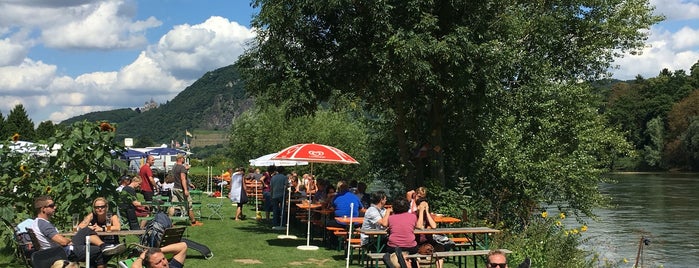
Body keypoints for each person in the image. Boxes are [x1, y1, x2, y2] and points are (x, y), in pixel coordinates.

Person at [31, 196, 125, 268]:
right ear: (43, 209)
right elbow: (63, 242)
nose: (55, 207)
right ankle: (103, 247)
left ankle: (104, 246)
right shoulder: (44, 224)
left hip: (55, 251)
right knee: (98, 251)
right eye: (51, 206)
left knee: (86, 230)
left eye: (102, 206)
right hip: (62, 252)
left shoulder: (37, 222)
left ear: (106, 207)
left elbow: (118, 227)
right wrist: (67, 240)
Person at [379, 197, 417, 268]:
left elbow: (384, 224)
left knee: (387, 248)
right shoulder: (413, 217)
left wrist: (387, 212)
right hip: (410, 247)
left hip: (393, 246)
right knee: (415, 249)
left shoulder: (391, 218)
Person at [171, 154, 203, 226]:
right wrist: (186, 190)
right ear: (180, 158)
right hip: (181, 189)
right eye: (183, 158)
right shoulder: (182, 168)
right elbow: (182, 179)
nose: (184, 159)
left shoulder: (174, 167)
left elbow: (178, 177)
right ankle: (193, 222)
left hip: (175, 188)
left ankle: (169, 222)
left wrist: (189, 184)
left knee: (173, 205)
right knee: (189, 205)